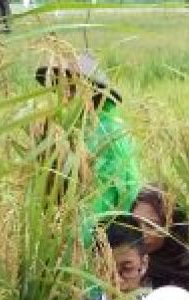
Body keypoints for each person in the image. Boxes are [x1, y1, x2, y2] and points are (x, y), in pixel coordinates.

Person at [36, 53, 142, 245]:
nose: (66, 95)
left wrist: (80, 239)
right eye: (60, 88)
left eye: (73, 88)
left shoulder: (108, 131)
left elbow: (104, 196)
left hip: (99, 234)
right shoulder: (67, 128)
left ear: (93, 92)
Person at [132, 185, 189, 300]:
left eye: (151, 225)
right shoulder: (122, 264)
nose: (141, 232)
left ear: (172, 229)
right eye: (134, 223)